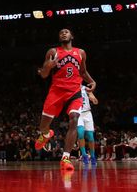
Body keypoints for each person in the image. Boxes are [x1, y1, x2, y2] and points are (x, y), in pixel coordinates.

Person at [34, 28, 96, 173]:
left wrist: (92, 81)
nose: (63, 33)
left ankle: (66, 158)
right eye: (61, 32)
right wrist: (47, 68)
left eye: (66, 32)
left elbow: (83, 72)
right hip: (56, 92)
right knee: (43, 126)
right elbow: (43, 75)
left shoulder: (80, 52)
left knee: (74, 119)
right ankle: (45, 134)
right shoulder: (52, 52)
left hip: (74, 92)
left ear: (72, 36)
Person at [77, 84, 98, 165]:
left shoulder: (85, 88)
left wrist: (93, 99)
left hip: (87, 113)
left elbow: (95, 100)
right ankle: (84, 155)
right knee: (80, 132)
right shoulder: (71, 87)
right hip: (78, 113)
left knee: (90, 136)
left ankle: (92, 156)